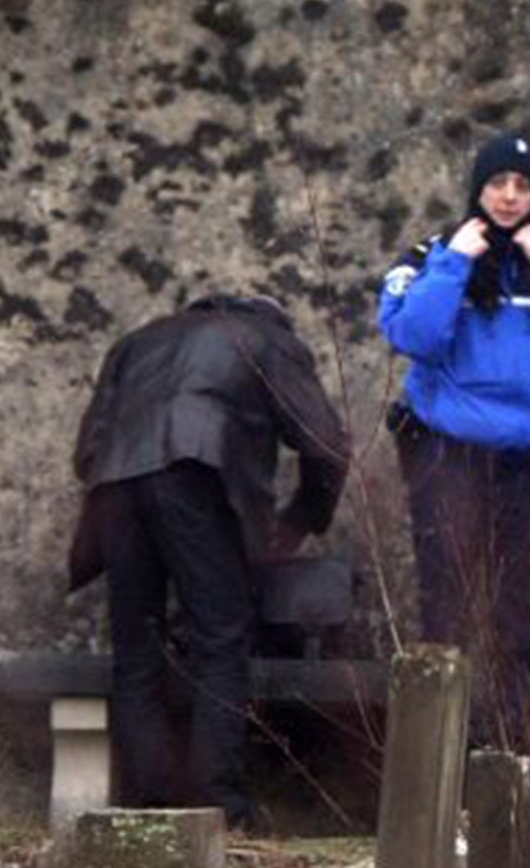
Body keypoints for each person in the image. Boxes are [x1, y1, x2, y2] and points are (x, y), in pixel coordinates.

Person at [68, 294, 348, 829]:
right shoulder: (268, 340)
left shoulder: (139, 340)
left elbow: (89, 446)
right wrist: (300, 520)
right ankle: (219, 809)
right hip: (197, 474)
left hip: (115, 484)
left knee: (136, 649)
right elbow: (325, 444)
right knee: (221, 638)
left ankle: (148, 810)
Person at [379, 132, 530, 750]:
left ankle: (513, 750)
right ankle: (438, 757)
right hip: (448, 456)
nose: (510, 197)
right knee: (448, 612)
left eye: (522, 186)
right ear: (476, 190)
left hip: (524, 461)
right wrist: (455, 262)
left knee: (524, 615)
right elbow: (413, 334)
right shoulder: (431, 254)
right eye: (498, 184)